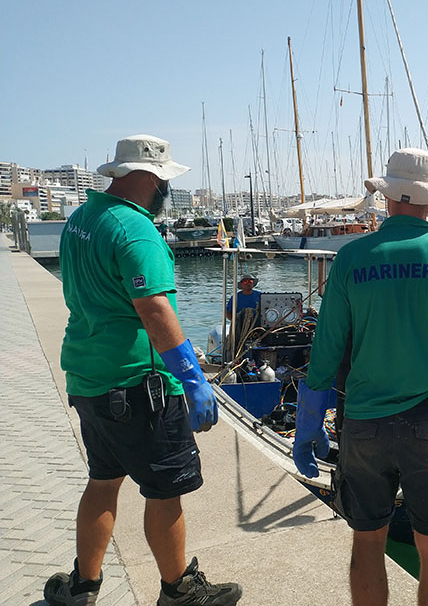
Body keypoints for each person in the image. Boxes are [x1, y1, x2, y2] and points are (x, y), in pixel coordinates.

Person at [293, 148, 428, 606]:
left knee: (368, 541)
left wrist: (309, 424)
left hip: (363, 423)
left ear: (387, 197)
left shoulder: (350, 258)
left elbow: (325, 352)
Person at [45, 135, 242, 606]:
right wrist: (193, 379)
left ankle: (83, 585)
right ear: (148, 179)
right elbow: (154, 310)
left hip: (89, 378)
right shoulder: (134, 230)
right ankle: (178, 590)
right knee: (164, 489)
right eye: (163, 181)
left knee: (103, 480)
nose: (164, 191)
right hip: (138, 385)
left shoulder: (82, 220)